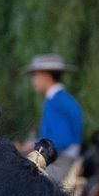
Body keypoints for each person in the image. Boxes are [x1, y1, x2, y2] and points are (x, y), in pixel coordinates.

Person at [19, 55, 85, 185]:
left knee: (25, 182)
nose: (34, 81)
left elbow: (62, 140)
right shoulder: (60, 99)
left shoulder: (57, 101)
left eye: (36, 76)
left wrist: (33, 145)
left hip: (62, 162)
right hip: (60, 159)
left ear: (46, 76)